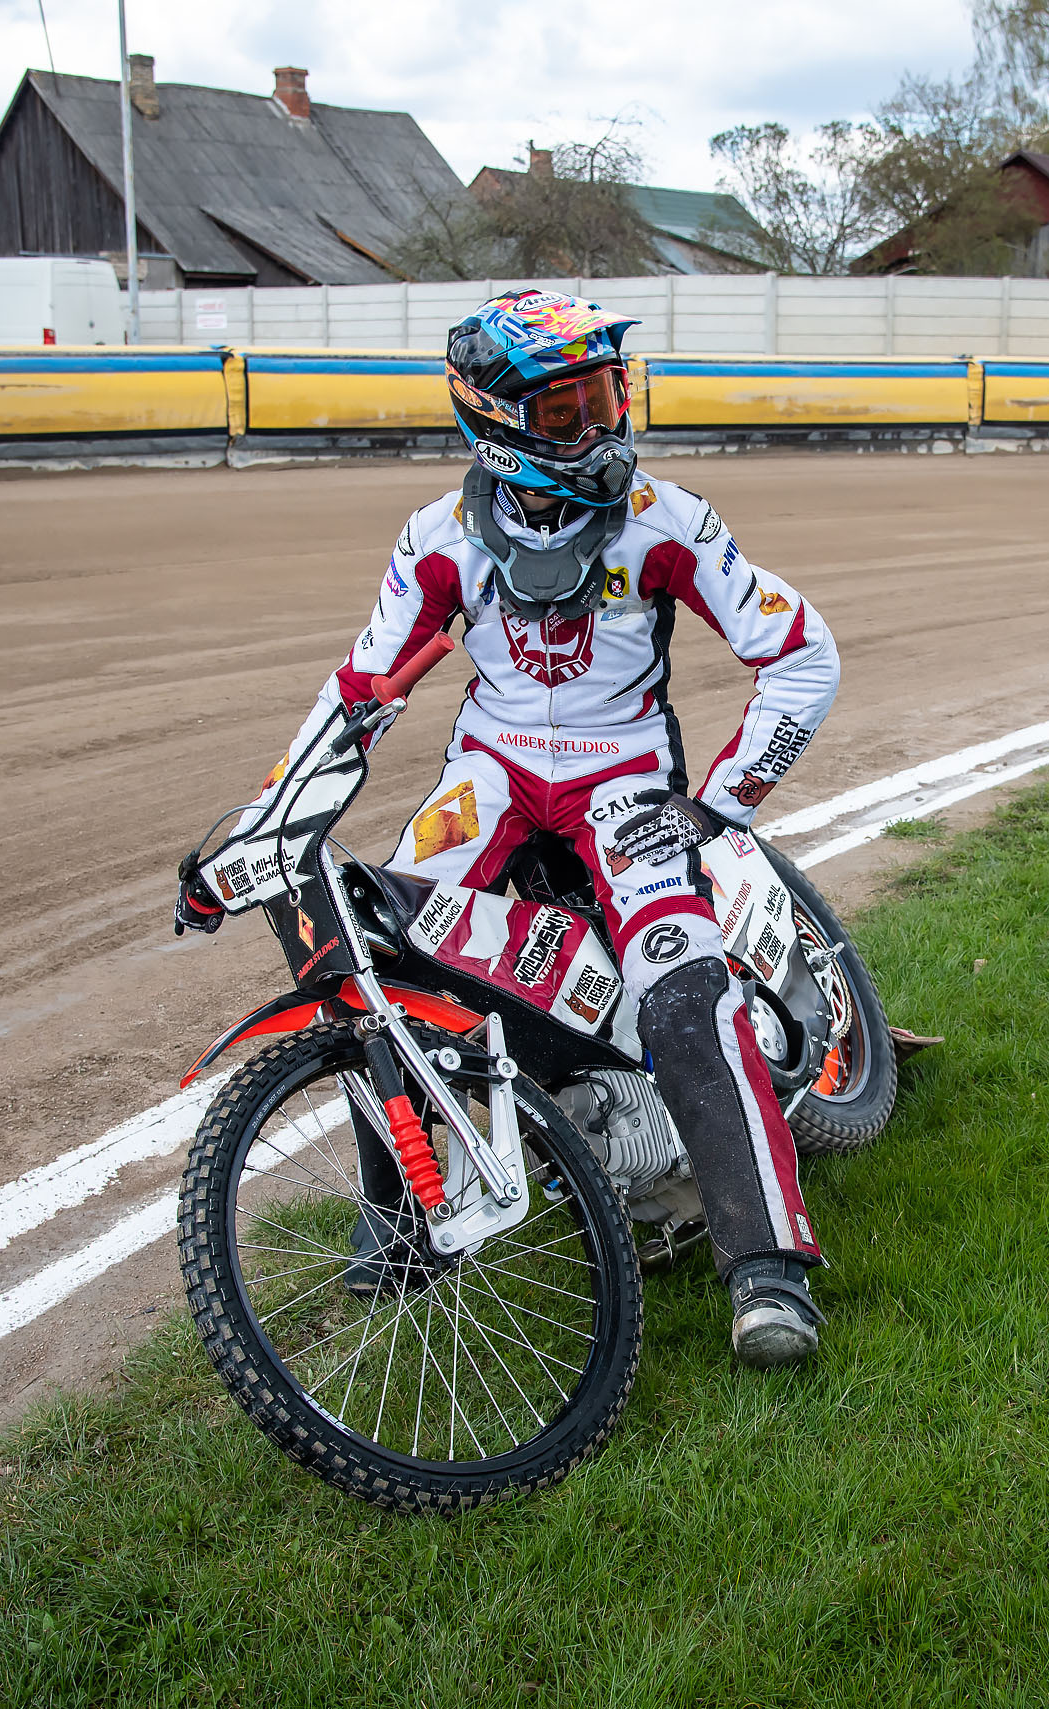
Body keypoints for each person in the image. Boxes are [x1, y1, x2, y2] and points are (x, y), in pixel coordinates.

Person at [176, 288, 840, 1369]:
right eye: (565, 410)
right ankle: (397, 1210)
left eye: (605, 395)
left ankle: (768, 1269)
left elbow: (803, 653)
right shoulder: (436, 541)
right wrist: (262, 829)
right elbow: (358, 694)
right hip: (489, 774)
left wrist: (721, 803)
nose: (599, 426)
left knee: (685, 989)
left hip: (626, 777)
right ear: (493, 421)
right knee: (371, 951)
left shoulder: (669, 520)